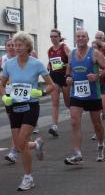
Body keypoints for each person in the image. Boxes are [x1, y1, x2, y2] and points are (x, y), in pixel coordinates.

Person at [1, 31, 55, 191]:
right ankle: (36, 144)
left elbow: (51, 85)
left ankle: (28, 177)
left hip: (31, 106)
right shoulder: (8, 64)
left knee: (22, 140)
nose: (17, 48)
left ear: (27, 46)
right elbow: (1, 84)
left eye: (20, 45)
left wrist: (41, 93)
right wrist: (4, 97)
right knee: (19, 145)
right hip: (14, 106)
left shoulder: (36, 64)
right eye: (15, 45)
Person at [64, 29, 105, 165]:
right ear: (75, 38)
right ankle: (77, 154)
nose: (80, 38)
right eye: (78, 36)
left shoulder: (95, 53)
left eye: (83, 36)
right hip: (77, 94)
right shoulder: (72, 54)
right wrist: (68, 77)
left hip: (93, 94)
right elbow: (69, 69)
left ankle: (101, 145)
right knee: (74, 122)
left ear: (87, 39)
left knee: (96, 124)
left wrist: (97, 76)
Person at [47, 29, 71, 137]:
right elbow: (51, 62)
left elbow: (72, 61)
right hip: (54, 78)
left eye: (55, 36)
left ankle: (76, 117)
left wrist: (64, 66)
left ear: (59, 37)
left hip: (64, 77)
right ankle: (54, 126)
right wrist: (48, 67)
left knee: (67, 103)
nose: (53, 38)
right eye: (51, 36)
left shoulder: (64, 47)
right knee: (55, 102)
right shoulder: (50, 50)